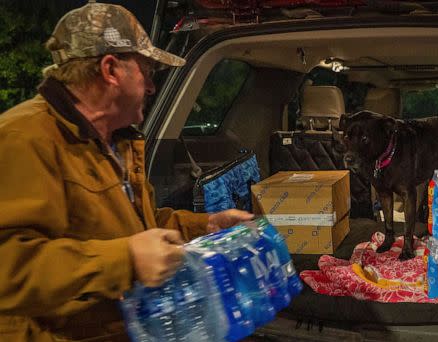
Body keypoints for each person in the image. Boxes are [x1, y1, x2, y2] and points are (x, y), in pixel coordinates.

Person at [0, 1, 253, 341]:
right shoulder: (23, 137)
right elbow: (9, 265)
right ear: (110, 70)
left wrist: (207, 225)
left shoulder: (117, 141)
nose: (151, 87)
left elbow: (144, 227)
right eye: (146, 71)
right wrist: (126, 260)